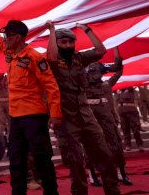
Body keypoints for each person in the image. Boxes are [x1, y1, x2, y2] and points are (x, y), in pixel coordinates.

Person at [0, 14, 62, 195]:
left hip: (34, 117)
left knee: (42, 160)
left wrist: (55, 114)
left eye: (7, 37)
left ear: (17, 38)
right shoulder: (10, 53)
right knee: (16, 161)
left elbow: (51, 86)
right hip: (15, 118)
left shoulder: (34, 57)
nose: (4, 40)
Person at [46, 22, 120, 195]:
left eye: (70, 42)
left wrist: (87, 30)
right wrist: (51, 31)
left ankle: (113, 191)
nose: (68, 45)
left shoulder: (80, 58)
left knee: (105, 156)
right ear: (57, 43)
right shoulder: (54, 61)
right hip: (67, 119)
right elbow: (51, 58)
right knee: (76, 163)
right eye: (63, 42)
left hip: (87, 117)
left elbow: (101, 51)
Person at [86, 46, 131, 186]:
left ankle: (121, 172)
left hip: (103, 109)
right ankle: (92, 174)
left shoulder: (99, 67)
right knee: (90, 143)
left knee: (115, 140)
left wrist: (116, 45)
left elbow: (117, 68)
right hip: (87, 110)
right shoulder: (74, 68)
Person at [118, 87, 144, 152]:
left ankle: (140, 145)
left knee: (135, 129)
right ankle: (128, 145)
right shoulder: (118, 90)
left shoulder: (131, 89)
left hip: (132, 111)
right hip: (122, 112)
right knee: (125, 129)